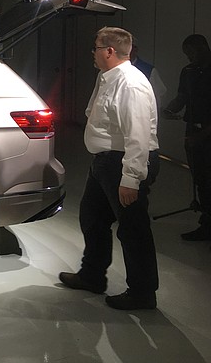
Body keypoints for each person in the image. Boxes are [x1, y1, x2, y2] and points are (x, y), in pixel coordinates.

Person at [59, 27, 160, 311]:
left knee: (133, 229)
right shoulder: (107, 78)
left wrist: (131, 178)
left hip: (122, 163)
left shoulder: (130, 83)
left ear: (109, 51)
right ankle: (92, 275)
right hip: (105, 162)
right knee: (92, 218)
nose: (92, 53)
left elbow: (138, 134)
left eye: (95, 48)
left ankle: (142, 292)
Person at [162, 34, 211, 241]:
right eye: (186, 54)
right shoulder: (188, 71)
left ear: (203, 47)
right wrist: (168, 109)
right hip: (192, 129)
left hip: (206, 133)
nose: (189, 57)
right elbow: (182, 96)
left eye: (192, 52)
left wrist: (201, 136)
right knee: (200, 178)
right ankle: (206, 220)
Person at [130, 39, 167, 104]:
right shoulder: (113, 68)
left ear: (135, 49)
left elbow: (159, 95)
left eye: (130, 47)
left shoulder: (148, 70)